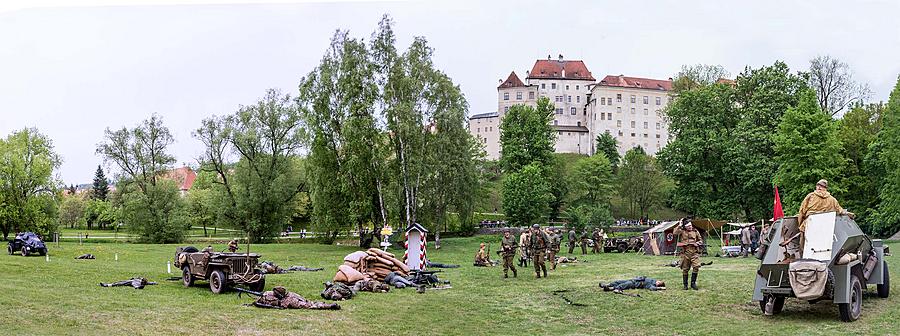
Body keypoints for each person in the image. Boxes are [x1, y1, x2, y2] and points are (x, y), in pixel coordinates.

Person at [673, 218, 703, 290]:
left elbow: (700, 240)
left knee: (696, 267)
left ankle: (693, 283)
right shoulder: (682, 231)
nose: (690, 227)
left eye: (690, 225)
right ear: (685, 226)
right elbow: (674, 233)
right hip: (685, 253)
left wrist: (697, 243)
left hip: (694, 252)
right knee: (685, 269)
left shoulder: (695, 231)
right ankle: (685, 285)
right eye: (688, 226)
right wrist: (680, 225)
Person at [256, 286, 340, 310]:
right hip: (291, 296)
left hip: (291, 299)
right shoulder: (269, 294)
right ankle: (329, 305)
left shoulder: (289, 300)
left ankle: (329, 306)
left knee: (309, 305)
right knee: (309, 303)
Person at [599, 276, 666, 293]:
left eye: (659, 283)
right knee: (618, 281)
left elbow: (652, 289)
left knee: (624, 285)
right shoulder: (653, 280)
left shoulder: (651, 285)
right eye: (659, 281)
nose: (658, 281)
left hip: (634, 284)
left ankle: (611, 289)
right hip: (633, 279)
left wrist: (660, 288)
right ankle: (607, 285)